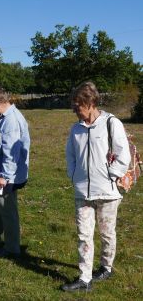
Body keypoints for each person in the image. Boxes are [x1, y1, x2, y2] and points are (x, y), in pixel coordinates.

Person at [61, 82, 131, 292]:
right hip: (82, 191)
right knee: (84, 234)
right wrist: (74, 175)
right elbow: (70, 155)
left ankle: (106, 267)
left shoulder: (112, 123)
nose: (75, 111)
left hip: (108, 192)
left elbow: (123, 155)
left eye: (78, 107)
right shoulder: (76, 129)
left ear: (90, 103)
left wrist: (112, 175)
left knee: (107, 233)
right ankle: (85, 278)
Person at [0, 84, 30, 259]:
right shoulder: (4, 117)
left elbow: (11, 152)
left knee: (7, 210)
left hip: (5, 177)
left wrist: (4, 176)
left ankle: (12, 248)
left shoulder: (11, 121)